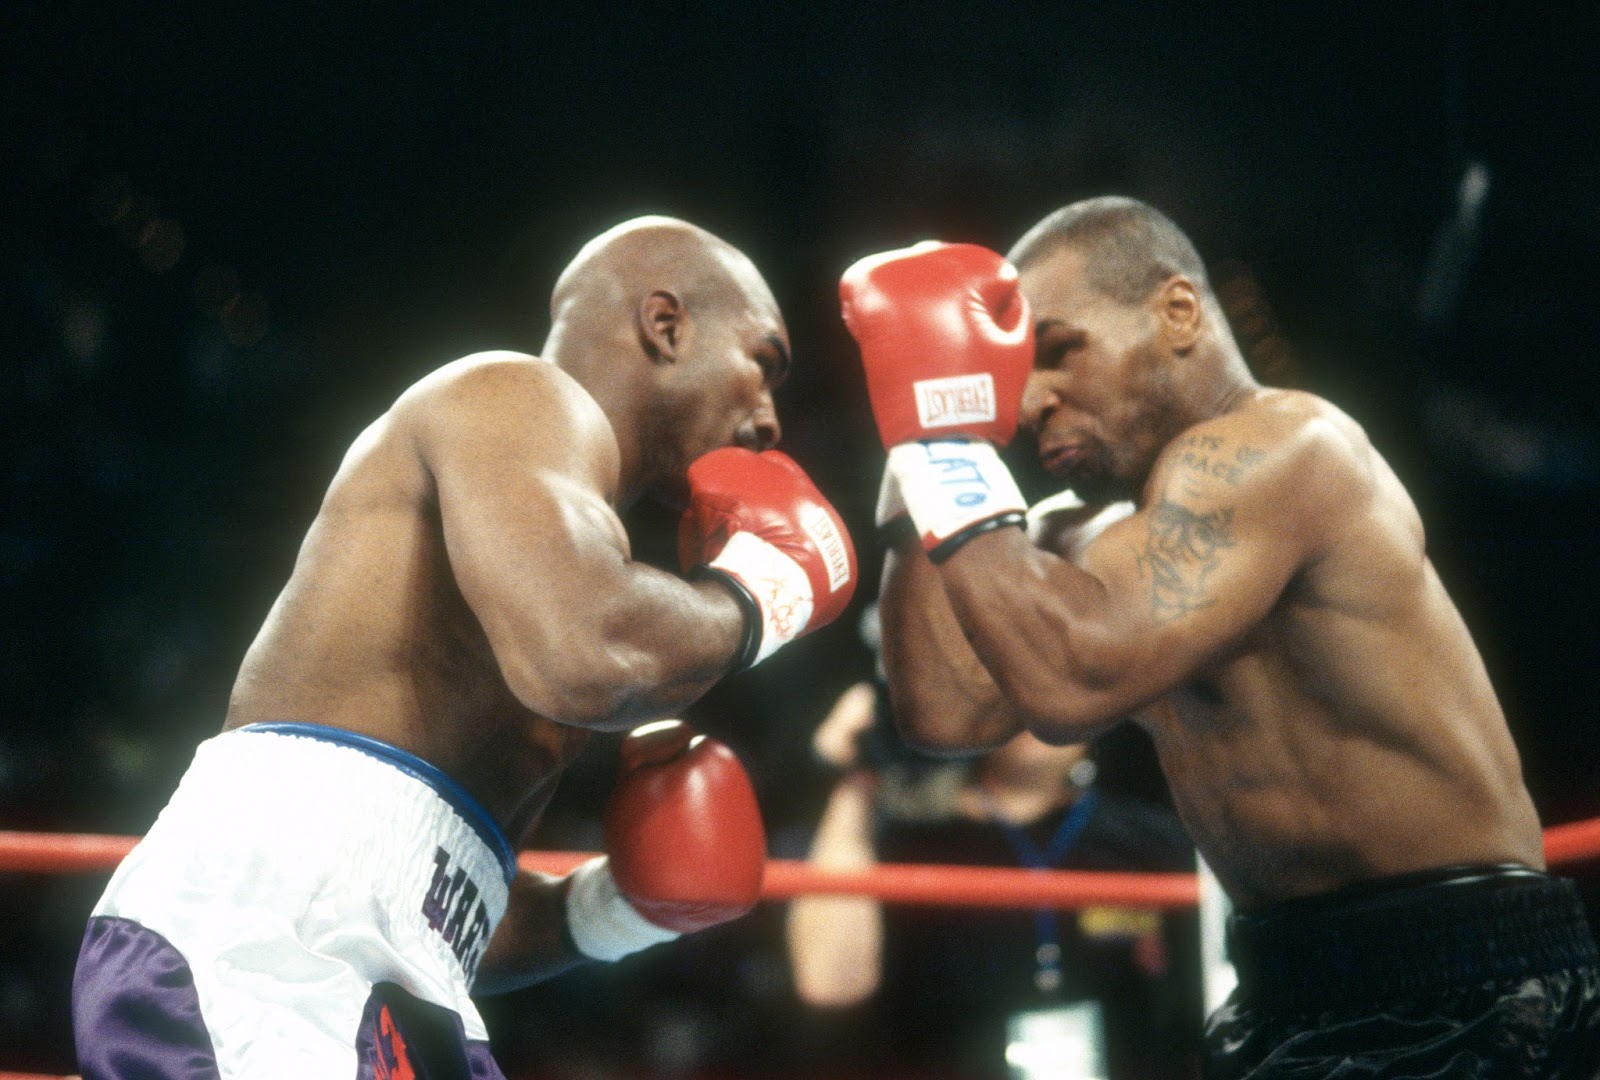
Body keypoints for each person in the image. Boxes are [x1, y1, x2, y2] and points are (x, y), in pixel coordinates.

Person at [70, 215, 858, 1078]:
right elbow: (586, 657)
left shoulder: (575, 565)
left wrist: (612, 910)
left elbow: (431, 909)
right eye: (763, 364)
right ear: (666, 326)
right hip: (256, 954)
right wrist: (762, 595)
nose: (770, 420)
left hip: (386, 986)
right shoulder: (513, 397)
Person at [838, 198, 1600, 1077]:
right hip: (1280, 988)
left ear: (1179, 313)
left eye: (1058, 349)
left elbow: (1072, 679)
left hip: (1468, 981)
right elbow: (942, 710)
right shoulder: (1075, 540)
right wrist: (926, 443)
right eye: (1014, 379)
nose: (1034, 400)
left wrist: (945, 455)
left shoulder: (1293, 447)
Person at [786, 666, 1198, 1080]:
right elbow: (829, 983)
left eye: (1058, 690)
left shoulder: (1149, 841)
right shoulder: (917, 845)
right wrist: (858, 773)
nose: (1036, 712)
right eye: (1014, 692)